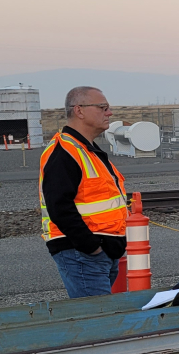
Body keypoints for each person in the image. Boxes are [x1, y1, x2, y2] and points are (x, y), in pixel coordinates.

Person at [40, 86, 129, 298]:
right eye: (102, 107)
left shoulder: (87, 150)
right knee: (99, 323)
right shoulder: (64, 152)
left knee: (102, 320)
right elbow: (59, 207)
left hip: (100, 252)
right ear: (79, 111)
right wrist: (92, 248)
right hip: (82, 254)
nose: (109, 113)